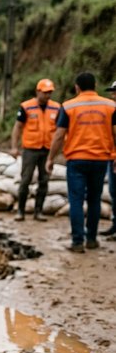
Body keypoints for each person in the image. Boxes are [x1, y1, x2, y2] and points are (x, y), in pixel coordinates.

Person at [45, 72, 116, 253]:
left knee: (76, 200)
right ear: (95, 85)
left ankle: (77, 241)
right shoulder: (110, 106)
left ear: (77, 87)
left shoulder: (69, 106)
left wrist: (51, 158)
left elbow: (59, 135)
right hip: (101, 159)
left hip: (77, 160)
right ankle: (91, 239)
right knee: (95, 199)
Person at [10, 78, 61, 222]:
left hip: (47, 150)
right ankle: (20, 211)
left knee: (44, 181)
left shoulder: (56, 108)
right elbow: (17, 127)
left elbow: (60, 131)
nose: (47, 95)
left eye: (50, 92)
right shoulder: (26, 107)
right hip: (30, 150)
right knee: (25, 180)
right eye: (45, 92)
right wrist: (14, 147)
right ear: (38, 91)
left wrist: (59, 150)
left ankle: (38, 211)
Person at [101, 80, 116, 237]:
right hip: (110, 157)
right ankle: (114, 223)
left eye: (115, 91)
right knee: (112, 192)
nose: (113, 95)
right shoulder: (111, 111)